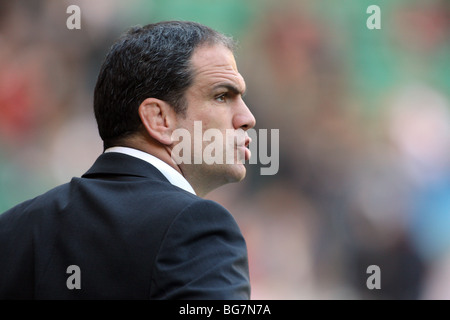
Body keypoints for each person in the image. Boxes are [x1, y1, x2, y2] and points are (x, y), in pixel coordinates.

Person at [0, 21, 256, 299]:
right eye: (221, 96)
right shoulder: (197, 225)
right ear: (159, 119)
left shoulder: (13, 227)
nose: (247, 118)